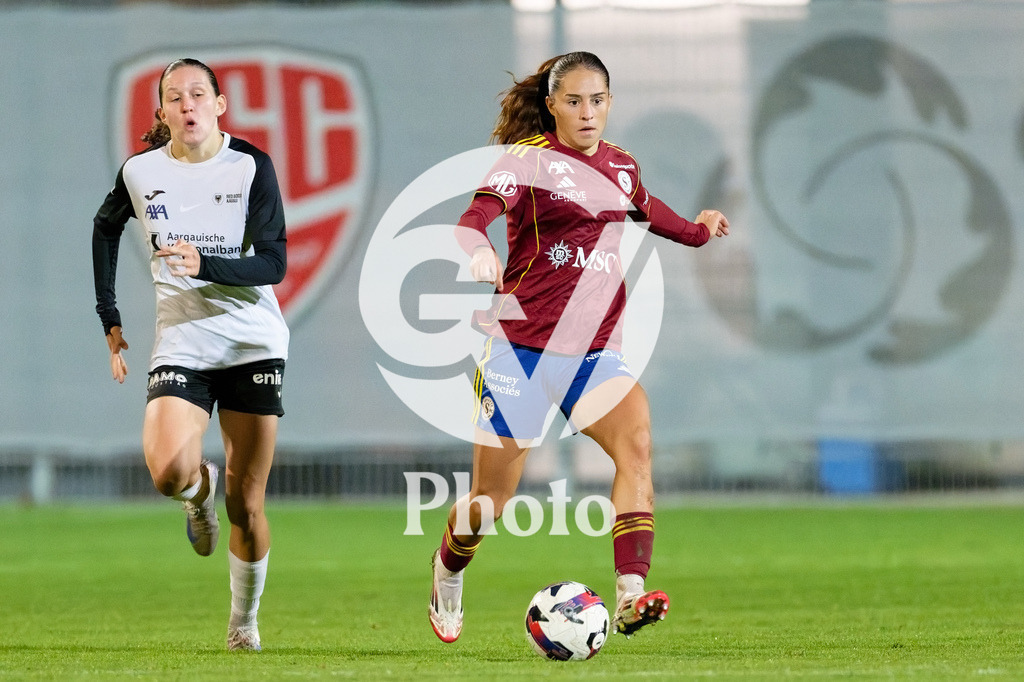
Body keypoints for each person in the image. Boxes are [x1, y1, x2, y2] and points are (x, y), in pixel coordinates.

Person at [429, 51, 729, 643]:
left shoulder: (621, 166)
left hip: (592, 354)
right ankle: (447, 572)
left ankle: (630, 594)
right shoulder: (527, 161)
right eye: (573, 101)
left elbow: (652, 213)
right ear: (552, 105)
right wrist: (479, 249)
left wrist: (699, 230)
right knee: (491, 501)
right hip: (519, 351)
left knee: (636, 447)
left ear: (610, 103)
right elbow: (473, 217)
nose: (587, 112)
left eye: (597, 100)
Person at [92, 58, 289, 652]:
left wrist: (206, 264)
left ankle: (243, 624)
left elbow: (274, 263)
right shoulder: (141, 171)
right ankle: (197, 494)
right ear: (162, 112)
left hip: (251, 341)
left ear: (220, 105)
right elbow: (104, 227)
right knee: (167, 474)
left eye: (198, 94)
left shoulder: (250, 166)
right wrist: (110, 315)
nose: (188, 105)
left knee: (246, 503)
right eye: (175, 97)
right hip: (183, 341)